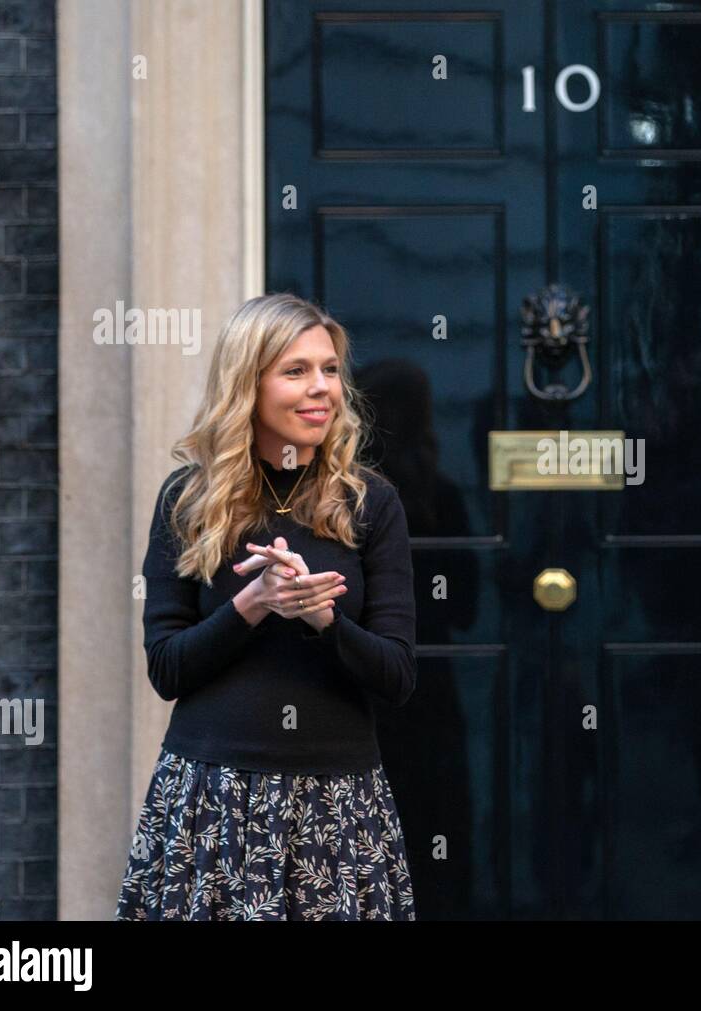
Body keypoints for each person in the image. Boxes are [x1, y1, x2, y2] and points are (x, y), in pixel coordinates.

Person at [116, 292, 417, 920]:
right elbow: (168, 668)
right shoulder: (191, 501)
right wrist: (251, 604)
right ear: (247, 383)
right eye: (296, 371)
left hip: (336, 804)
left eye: (330, 370)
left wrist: (323, 619)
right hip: (212, 799)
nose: (322, 389)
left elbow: (397, 675)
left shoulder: (370, 504)